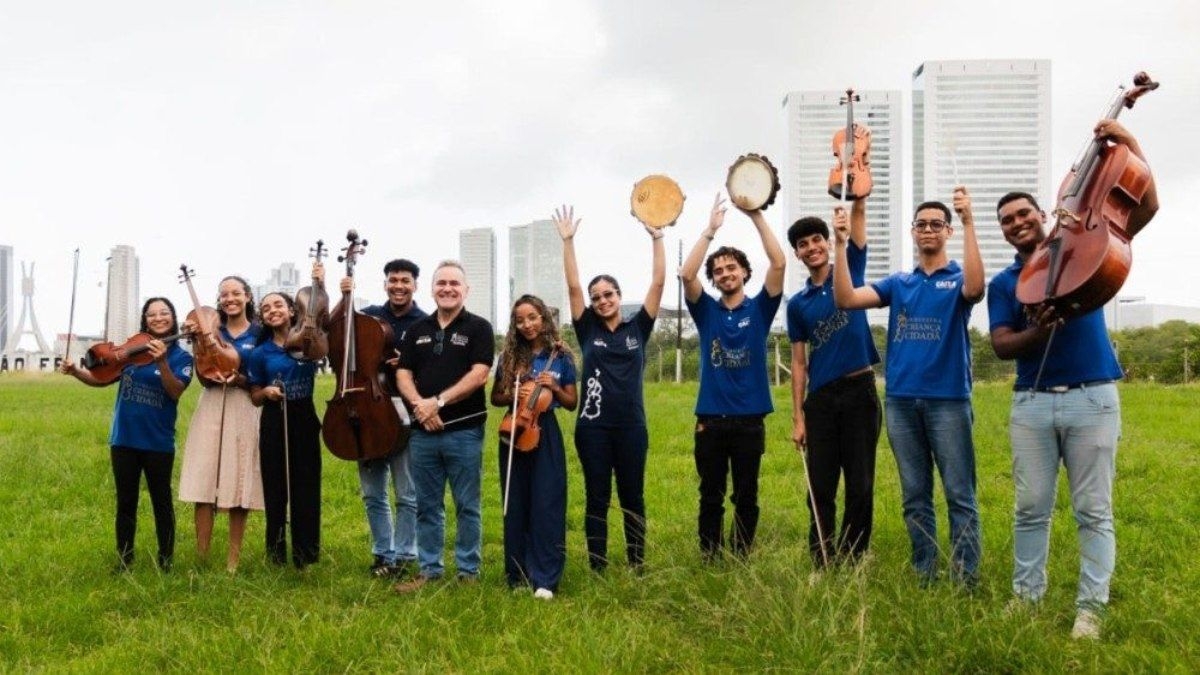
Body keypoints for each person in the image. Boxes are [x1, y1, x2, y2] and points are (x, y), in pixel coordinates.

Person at [987, 119, 1158, 640]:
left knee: (1093, 510)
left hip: (1092, 399)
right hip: (1032, 403)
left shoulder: (1090, 248)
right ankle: (1026, 598)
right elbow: (1000, 346)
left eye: (1023, 214)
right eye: (1007, 221)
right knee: (1031, 508)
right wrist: (1037, 330)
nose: (1017, 223)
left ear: (1042, 215)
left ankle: (1092, 609)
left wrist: (1129, 142)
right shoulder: (1006, 282)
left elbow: (1143, 205)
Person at [832, 187, 984, 586]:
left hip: (948, 402)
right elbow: (846, 298)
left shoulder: (957, 279)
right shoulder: (899, 283)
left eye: (937, 224)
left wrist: (969, 222)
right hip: (901, 402)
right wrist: (840, 243)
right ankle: (925, 573)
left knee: (958, 494)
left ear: (947, 231)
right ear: (913, 233)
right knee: (915, 495)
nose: (928, 230)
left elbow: (976, 290)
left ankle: (965, 578)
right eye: (921, 225)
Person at [556, 204, 665, 573]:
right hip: (593, 429)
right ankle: (597, 566)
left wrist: (658, 238)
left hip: (632, 427)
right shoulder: (588, 329)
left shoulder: (639, 329)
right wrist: (568, 242)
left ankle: (637, 563)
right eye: (597, 296)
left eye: (609, 294)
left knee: (633, 497)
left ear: (619, 296)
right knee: (597, 498)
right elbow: (573, 285)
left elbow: (659, 283)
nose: (603, 300)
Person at [680, 194, 787, 560]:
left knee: (746, 493)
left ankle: (741, 554)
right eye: (719, 270)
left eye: (732, 268)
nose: (725, 273)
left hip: (749, 420)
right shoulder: (706, 312)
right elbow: (686, 274)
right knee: (710, 493)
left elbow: (779, 261)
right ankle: (709, 555)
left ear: (743, 272)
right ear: (715, 279)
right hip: (710, 419)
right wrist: (710, 231)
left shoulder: (760, 308)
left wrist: (755, 215)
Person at [60, 297, 194, 571]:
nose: (158, 318)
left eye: (164, 313)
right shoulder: (132, 352)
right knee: (125, 502)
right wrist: (75, 371)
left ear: (173, 318)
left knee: (161, 501)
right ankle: (124, 559)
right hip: (124, 439)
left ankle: (165, 560)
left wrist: (163, 362)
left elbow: (176, 391)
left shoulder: (183, 357)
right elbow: (100, 378)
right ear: (145, 320)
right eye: (152, 314)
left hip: (158, 441)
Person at [785, 197, 881, 568]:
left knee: (860, 484)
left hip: (859, 393)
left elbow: (858, 222)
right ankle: (822, 559)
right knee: (820, 488)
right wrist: (798, 417)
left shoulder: (850, 267)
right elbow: (798, 362)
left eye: (816, 240)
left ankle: (855, 557)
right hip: (821, 401)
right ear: (797, 254)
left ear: (827, 241)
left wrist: (856, 200)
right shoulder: (798, 304)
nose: (811, 248)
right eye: (803, 244)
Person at [393, 260, 494, 592]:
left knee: (467, 504)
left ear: (466, 290)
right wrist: (420, 406)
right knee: (427, 506)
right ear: (432, 289)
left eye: (454, 283)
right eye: (441, 284)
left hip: (463, 433)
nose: (447, 289)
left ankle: (468, 572)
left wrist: (438, 402)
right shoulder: (417, 330)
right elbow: (403, 373)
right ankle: (429, 570)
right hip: (423, 434)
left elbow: (480, 373)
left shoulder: (479, 328)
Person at [340, 259, 426, 578]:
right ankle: (382, 553)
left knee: (407, 492)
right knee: (373, 492)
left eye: (405, 280)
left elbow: (433, 371)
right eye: (393, 280)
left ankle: (404, 554)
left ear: (415, 285)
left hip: (405, 414)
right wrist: (344, 298)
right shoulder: (369, 316)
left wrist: (408, 363)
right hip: (367, 410)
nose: (398, 286)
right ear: (385, 283)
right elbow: (335, 332)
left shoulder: (425, 324)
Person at [491, 294, 577, 599]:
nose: (526, 324)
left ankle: (546, 578)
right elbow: (495, 399)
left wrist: (553, 387)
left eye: (532, 317)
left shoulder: (562, 357)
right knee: (516, 504)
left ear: (543, 318)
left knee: (547, 504)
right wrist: (513, 387)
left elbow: (570, 402)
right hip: (514, 429)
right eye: (520, 319)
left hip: (546, 431)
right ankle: (518, 575)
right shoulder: (509, 357)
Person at [178, 276, 264, 573]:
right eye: (224, 294)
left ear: (248, 296)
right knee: (204, 478)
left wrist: (241, 379)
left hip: (244, 403)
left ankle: (233, 561)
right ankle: (201, 558)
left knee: (239, 479)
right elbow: (203, 376)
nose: (230, 299)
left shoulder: (260, 332)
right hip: (212, 401)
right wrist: (199, 343)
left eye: (236, 293)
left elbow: (264, 373)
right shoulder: (212, 328)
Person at [249, 286, 323, 569]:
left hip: (304, 415)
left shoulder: (308, 341)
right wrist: (266, 392)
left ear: (292, 310)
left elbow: (320, 312)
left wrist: (320, 281)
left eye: (278, 305)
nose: (272, 311)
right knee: (275, 488)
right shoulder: (259, 354)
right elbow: (254, 396)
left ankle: (306, 555)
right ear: (262, 318)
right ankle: (276, 554)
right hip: (273, 418)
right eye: (266, 309)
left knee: (306, 486)